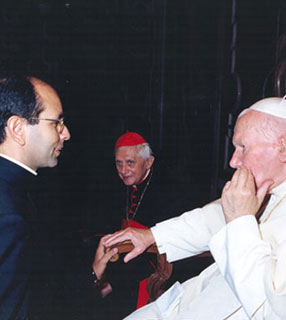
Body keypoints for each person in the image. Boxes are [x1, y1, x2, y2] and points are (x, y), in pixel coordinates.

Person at [102, 96, 286, 319]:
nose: (233, 161)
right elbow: (215, 216)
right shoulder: (267, 187)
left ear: (283, 147)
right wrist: (151, 236)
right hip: (194, 299)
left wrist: (240, 221)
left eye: (243, 148)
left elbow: (269, 309)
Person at [92, 132, 213, 319]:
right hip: (125, 262)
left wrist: (112, 282)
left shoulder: (170, 189)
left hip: (158, 263)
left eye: (130, 163)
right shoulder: (114, 185)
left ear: (148, 162)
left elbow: (170, 243)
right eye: (119, 163)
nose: (123, 170)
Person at [0, 75, 70, 319]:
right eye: (56, 123)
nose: (66, 134)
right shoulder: (9, 215)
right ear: (18, 129)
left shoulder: (16, 191)